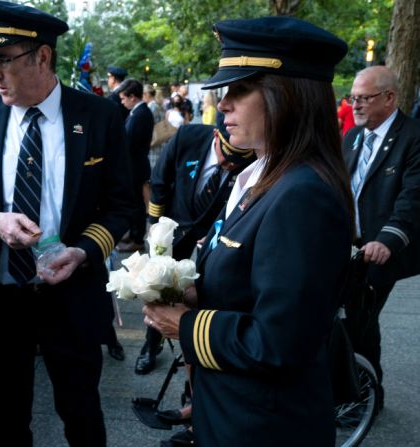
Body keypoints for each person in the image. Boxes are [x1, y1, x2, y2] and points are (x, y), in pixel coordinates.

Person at [0, 1, 134, 445]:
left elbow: (121, 207)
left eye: (3, 60)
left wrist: (82, 251)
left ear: (42, 56)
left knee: (82, 413)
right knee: (1, 419)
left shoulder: (99, 117)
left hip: (71, 293)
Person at [143, 17, 353, 446]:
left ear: (288, 97)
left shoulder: (301, 194)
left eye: (239, 90)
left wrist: (184, 324)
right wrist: (192, 294)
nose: (223, 104)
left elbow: (277, 344)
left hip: (264, 427)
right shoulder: (267, 174)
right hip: (235, 408)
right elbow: (253, 291)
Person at [136, 113, 255, 375]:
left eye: (238, 162)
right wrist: (156, 226)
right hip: (173, 225)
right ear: (216, 136)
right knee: (159, 285)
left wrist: (217, 233)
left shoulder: (249, 157)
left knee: (206, 289)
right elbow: (159, 181)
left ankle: (198, 351)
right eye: (227, 157)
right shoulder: (188, 137)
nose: (230, 166)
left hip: (212, 233)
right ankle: (150, 345)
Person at [342, 65, 420, 409]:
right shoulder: (352, 136)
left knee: (359, 316)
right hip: (349, 245)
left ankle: (365, 393)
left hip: (382, 248)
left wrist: (387, 240)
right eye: (353, 98)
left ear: (389, 99)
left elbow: (413, 197)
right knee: (351, 315)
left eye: (364, 98)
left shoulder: (414, 137)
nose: (356, 105)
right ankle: (361, 387)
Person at [117, 79, 154, 253]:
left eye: (124, 98)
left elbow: (130, 143)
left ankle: (137, 237)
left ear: (132, 97)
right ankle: (132, 233)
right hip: (134, 164)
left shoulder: (141, 114)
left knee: (137, 203)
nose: (122, 102)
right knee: (134, 201)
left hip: (136, 165)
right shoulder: (136, 112)